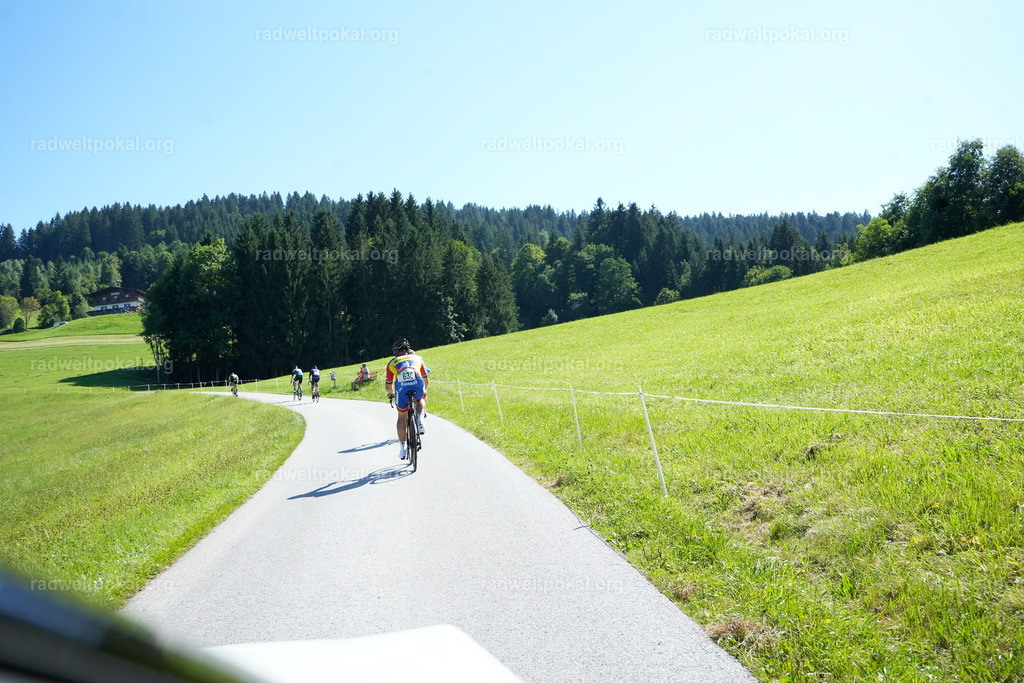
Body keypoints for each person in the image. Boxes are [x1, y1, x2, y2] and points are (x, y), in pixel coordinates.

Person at [385, 339, 429, 461]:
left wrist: (391, 393)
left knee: (401, 416)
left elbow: (388, 386)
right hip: (418, 384)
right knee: (420, 399)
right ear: (408, 350)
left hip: (402, 389)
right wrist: (424, 389)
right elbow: (425, 379)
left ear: (395, 352)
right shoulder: (418, 358)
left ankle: (402, 448)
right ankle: (420, 420)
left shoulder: (392, 362)